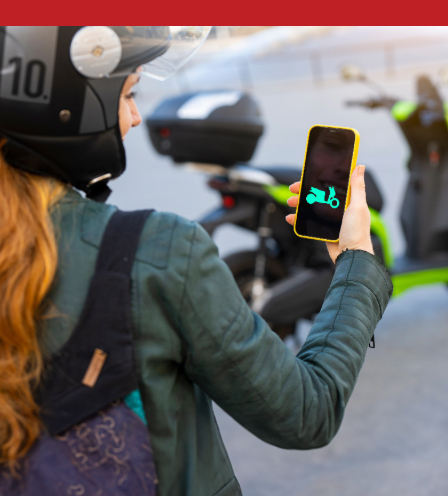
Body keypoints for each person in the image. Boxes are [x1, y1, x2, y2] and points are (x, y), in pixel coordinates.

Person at [0, 26, 393, 496]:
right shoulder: (157, 252)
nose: (135, 117)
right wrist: (354, 256)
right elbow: (307, 412)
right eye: (128, 95)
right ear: (69, 112)